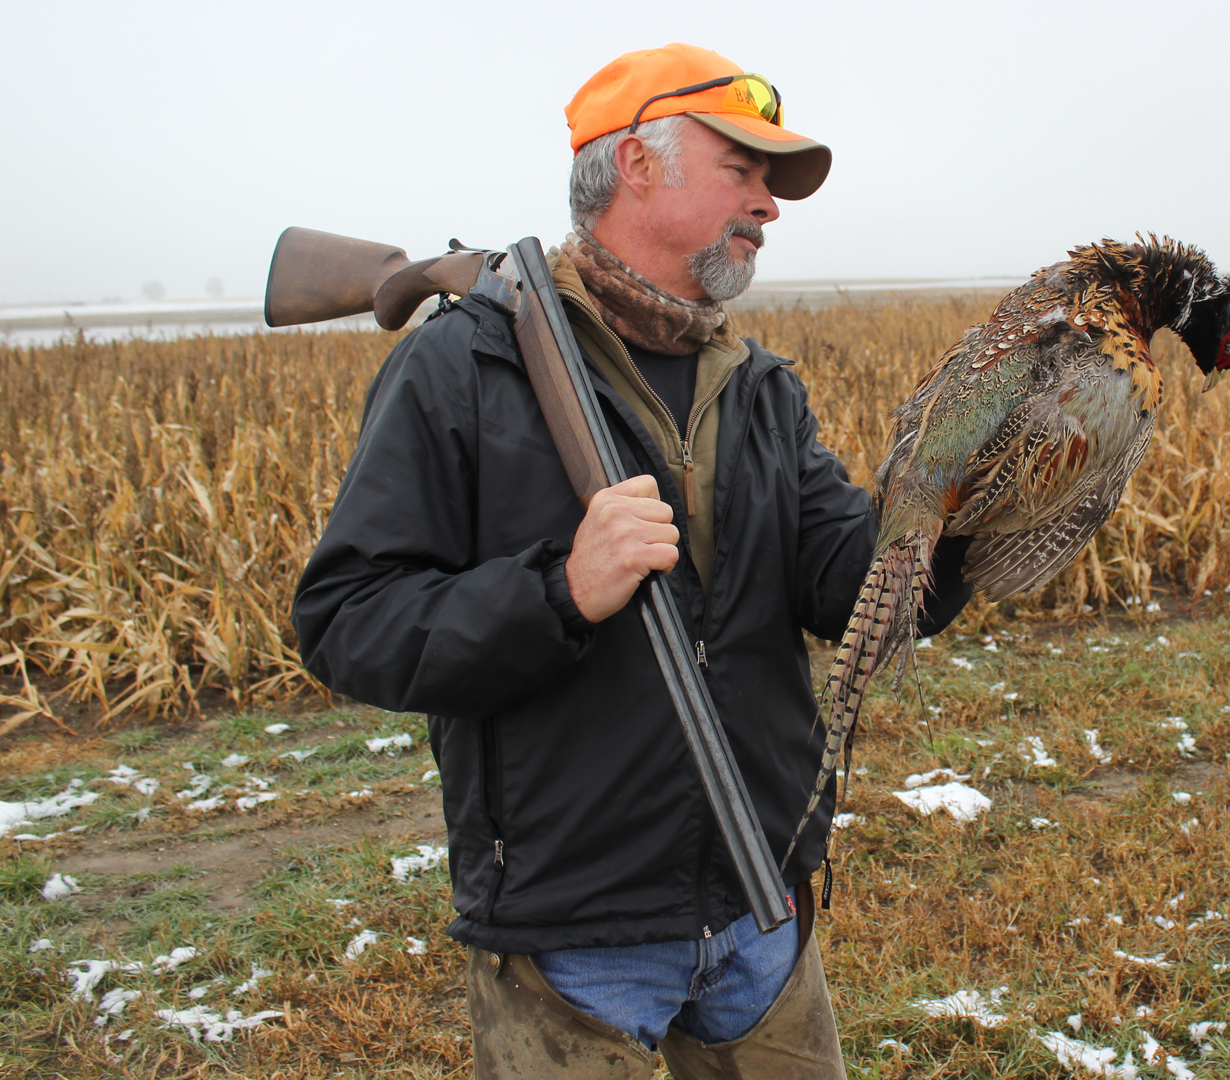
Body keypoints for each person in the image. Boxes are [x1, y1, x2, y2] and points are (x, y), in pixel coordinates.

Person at [293, 42, 970, 1080]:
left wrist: (965, 519)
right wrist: (559, 591)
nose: (768, 206)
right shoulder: (462, 363)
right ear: (638, 164)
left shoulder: (758, 387)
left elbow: (850, 587)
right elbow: (347, 621)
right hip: (575, 933)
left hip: (762, 903)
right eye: (742, 171)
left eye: (769, 184)